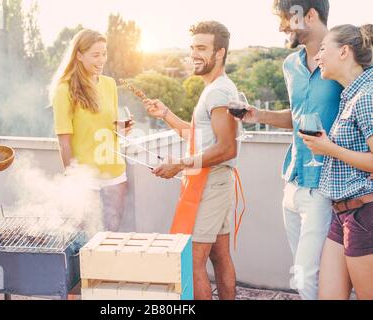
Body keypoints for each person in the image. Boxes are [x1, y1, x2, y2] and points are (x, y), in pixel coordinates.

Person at [232, 0, 343, 299]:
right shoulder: (290, 65)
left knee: (306, 277)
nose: (282, 26)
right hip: (292, 183)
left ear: (310, 15)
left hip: (324, 185)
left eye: (287, 19)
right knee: (304, 270)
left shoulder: (344, 58)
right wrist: (260, 116)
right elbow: (297, 115)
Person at [143, 21, 239, 300]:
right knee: (220, 256)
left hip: (211, 184)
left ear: (219, 53)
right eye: (192, 48)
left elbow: (226, 148)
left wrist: (180, 164)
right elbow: (198, 136)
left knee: (192, 261)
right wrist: (167, 115)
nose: (194, 54)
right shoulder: (215, 88)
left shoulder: (219, 91)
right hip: (216, 182)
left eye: (201, 48)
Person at [299, 24, 373, 300]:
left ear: (344, 52)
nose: (317, 57)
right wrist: (327, 148)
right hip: (341, 214)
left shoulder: (367, 96)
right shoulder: (350, 94)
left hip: (365, 214)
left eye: (322, 49)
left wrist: (329, 148)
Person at [50, 29, 134, 232]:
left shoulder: (109, 84)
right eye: (95, 55)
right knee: (85, 240)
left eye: (104, 54)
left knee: (111, 234)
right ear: (79, 55)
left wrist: (121, 126)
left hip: (115, 172)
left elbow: (108, 123)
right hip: (86, 178)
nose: (102, 60)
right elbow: (64, 142)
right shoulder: (64, 90)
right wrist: (74, 180)